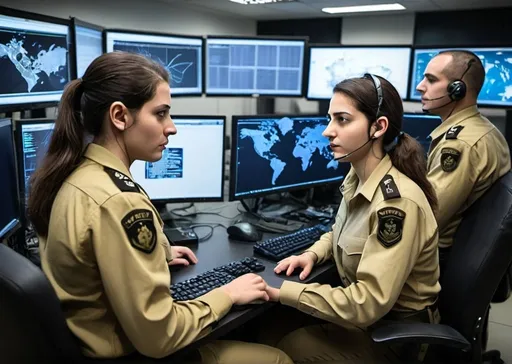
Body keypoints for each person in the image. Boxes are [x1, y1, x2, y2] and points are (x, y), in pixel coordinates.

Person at [27, 52, 293, 364]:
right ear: (120, 116)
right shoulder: (119, 201)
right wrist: (228, 294)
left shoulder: (75, 175)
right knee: (276, 357)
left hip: (86, 343)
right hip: (132, 354)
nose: (172, 127)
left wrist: (161, 252)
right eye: (161, 114)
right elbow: (161, 336)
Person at [261, 74, 442, 363]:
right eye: (330, 119)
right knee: (263, 332)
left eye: (342, 120)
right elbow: (341, 231)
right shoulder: (358, 179)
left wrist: (283, 291)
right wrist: (312, 253)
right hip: (366, 322)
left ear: (378, 127)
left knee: (282, 348)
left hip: (394, 336)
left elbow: (366, 303)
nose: (327, 132)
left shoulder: (395, 205)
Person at [416, 50, 511, 268]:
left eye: (430, 80)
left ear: (457, 89)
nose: (420, 86)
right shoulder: (483, 129)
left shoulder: (461, 144)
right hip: (460, 252)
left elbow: (427, 218)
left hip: (437, 260)